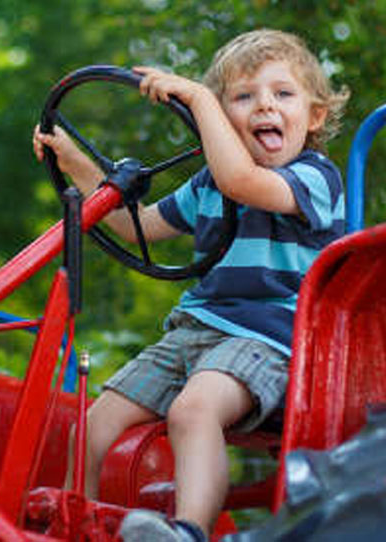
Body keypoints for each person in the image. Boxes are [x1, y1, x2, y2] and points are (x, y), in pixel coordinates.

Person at [32, 29, 349, 542]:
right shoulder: (206, 184)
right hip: (194, 332)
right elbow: (141, 226)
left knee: (193, 410)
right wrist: (80, 167)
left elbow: (242, 183)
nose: (264, 106)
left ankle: (188, 533)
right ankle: (72, 522)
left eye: (282, 94)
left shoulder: (315, 177)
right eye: (243, 97)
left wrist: (199, 96)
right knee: (92, 425)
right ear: (222, 122)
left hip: (267, 341)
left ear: (313, 117)